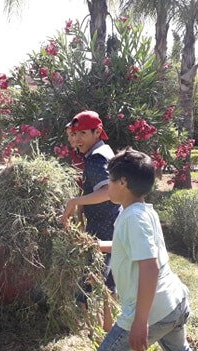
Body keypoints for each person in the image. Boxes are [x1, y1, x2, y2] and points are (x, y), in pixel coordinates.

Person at [95, 148, 198, 351]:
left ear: (123, 182)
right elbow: (129, 248)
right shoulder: (141, 210)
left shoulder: (134, 218)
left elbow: (149, 267)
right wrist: (97, 245)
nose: (108, 186)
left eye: (110, 180)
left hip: (153, 312)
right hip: (173, 302)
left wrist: (140, 322)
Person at [61, 110, 120, 332]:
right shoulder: (100, 152)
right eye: (74, 133)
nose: (76, 139)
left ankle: (97, 329)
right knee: (107, 279)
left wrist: (75, 201)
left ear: (97, 132)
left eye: (82, 133)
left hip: (106, 225)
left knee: (95, 278)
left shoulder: (97, 159)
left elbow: (108, 192)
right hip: (109, 222)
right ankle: (106, 327)